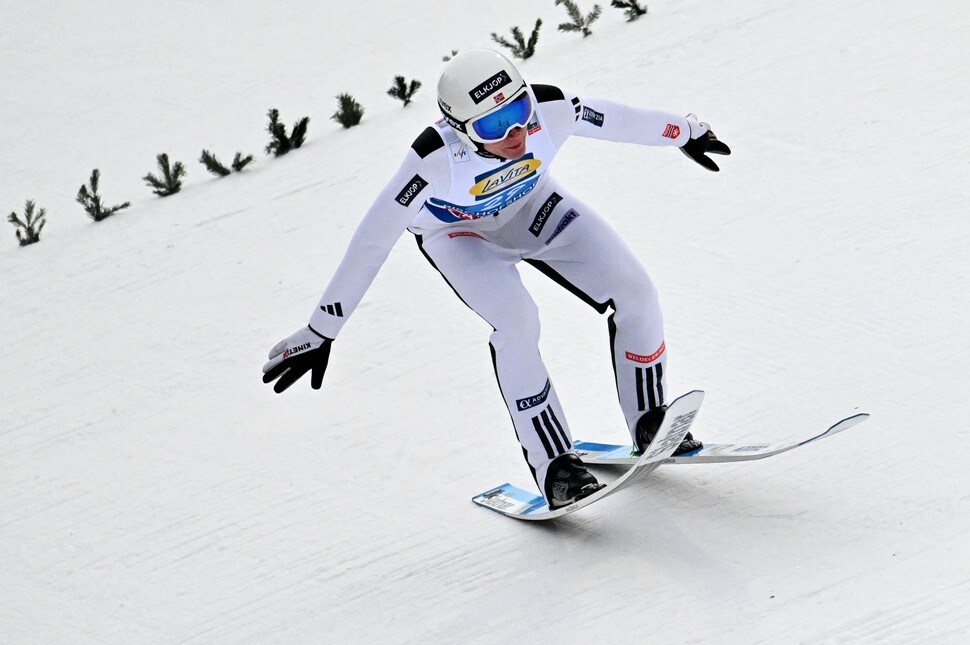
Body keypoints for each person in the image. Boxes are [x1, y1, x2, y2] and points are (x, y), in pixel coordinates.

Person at [262, 48, 730, 508]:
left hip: (535, 208)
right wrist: (322, 330)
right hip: (460, 235)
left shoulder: (550, 109)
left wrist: (686, 131)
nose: (514, 132)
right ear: (459, 129)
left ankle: (650, 418)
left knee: (636, 291)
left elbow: (622, 120)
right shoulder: (432, 161)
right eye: (491, 124)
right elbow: (371, 242)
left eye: (518, 109)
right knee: (519, 324)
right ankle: (556, 468)